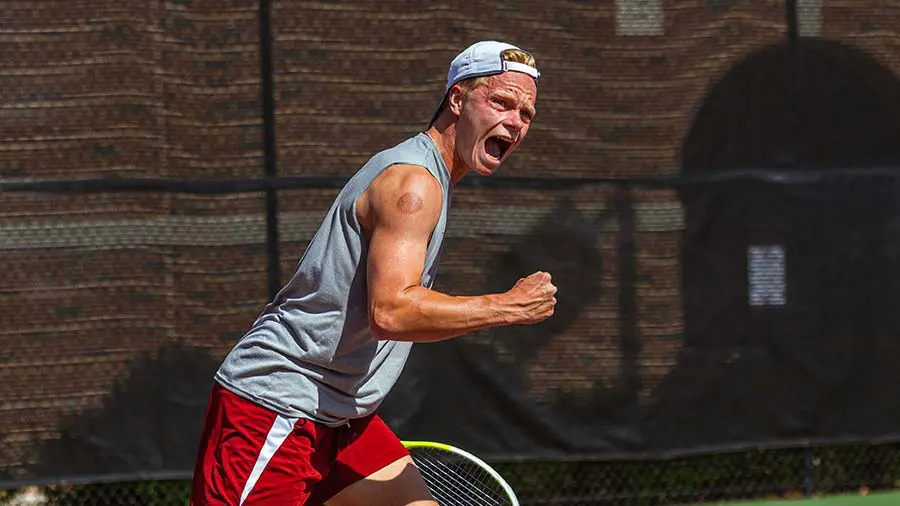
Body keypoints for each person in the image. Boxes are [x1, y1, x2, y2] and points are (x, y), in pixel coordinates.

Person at [190, 40, 557, 506]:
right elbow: (392, 310)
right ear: (458, 100)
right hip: (279, 406)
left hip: (342, 416)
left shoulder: (432, 179)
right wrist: (506, 307)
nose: (515, 121)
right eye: (500, 102)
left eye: (526, 114)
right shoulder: (415, 184)